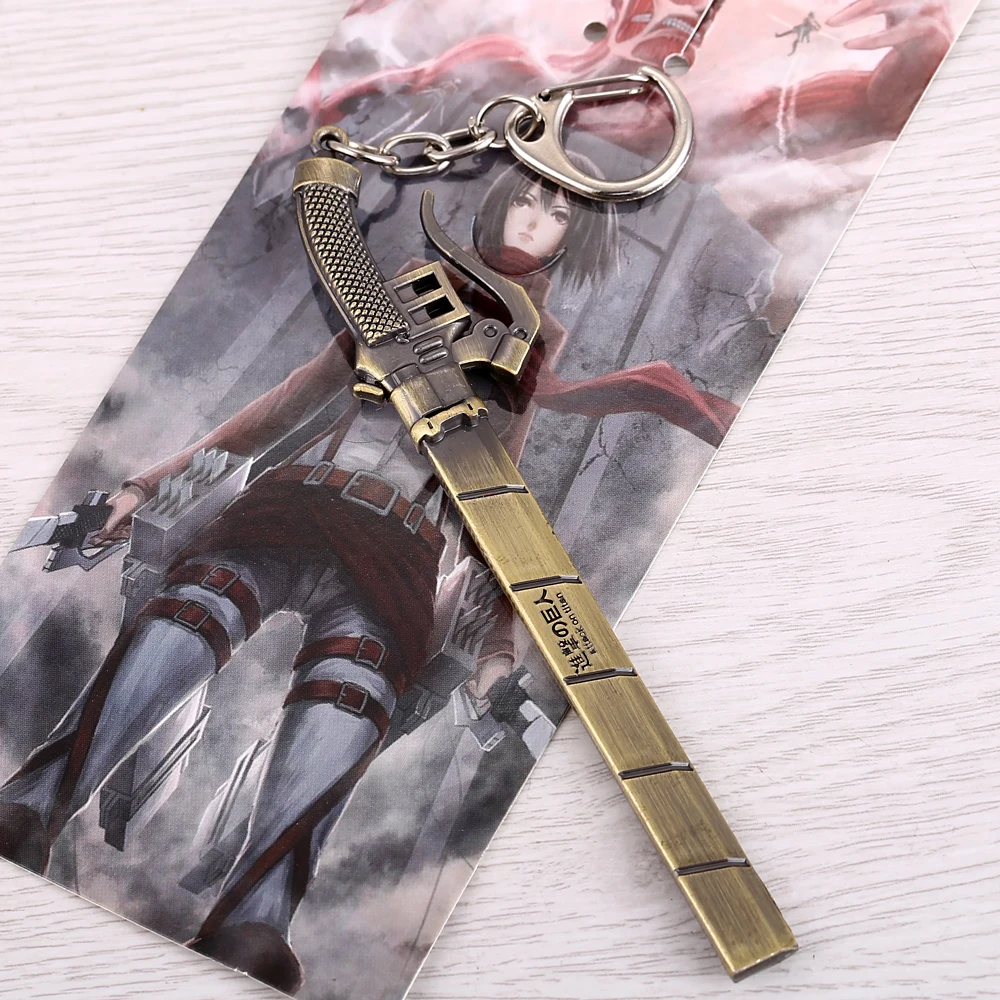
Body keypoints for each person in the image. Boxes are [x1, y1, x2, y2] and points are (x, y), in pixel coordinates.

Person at [0, 152, 733, 994]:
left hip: (398, 554)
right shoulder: (396, 295)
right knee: (195, 610)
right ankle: (35, 803)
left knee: (355, 689)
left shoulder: (533, 354)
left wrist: (499, 648)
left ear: (574, 239)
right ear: (497, 200)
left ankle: (255, 919)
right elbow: (281, 407)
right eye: (527, 198)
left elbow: (500, 503)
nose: (535, 219)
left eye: (559, 213)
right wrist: (143, 486)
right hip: (298, 507)